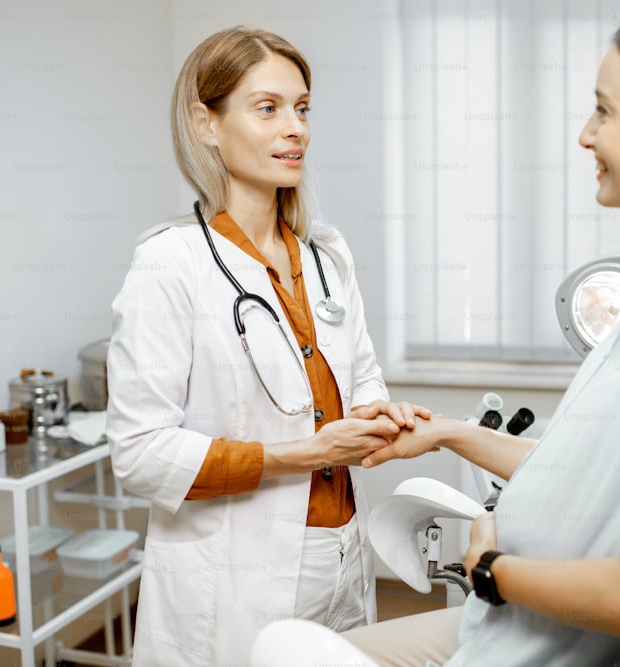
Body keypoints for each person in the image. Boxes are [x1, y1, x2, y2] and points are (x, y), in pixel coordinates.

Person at [249, 3, 620, 665]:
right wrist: (446, 433)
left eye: (604, 112)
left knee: (281, 648)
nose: (586, 136)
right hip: (511, 630)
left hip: (550, 636)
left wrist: (492, 567)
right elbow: (582, 472)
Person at [106, 27, 430, 667]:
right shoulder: (169, 265)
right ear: (206, 123)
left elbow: (362, 373)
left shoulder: (326, 255)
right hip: (235, 573)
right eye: (268, 108)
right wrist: (306, 453)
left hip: (342, 552)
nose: (296, 129)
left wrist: (372, 416)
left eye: (302, 108)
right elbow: (140, 454)